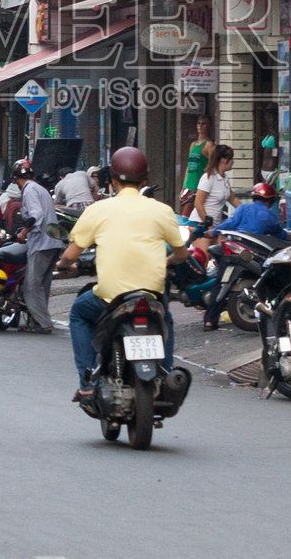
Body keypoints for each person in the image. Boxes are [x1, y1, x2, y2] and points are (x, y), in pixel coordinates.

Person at [55, 147, 187, 400]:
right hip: (151, 297)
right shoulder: (162, 210)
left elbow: (71, 255)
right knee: (166, 319)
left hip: (110, 298)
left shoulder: (98, 210)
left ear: (113, 181)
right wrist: (168, 261)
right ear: (145, 180)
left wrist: (64, 264)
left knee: (79, 313)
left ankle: (87, 381)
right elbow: (182, 254)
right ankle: (165, 376)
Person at [200, 182, 285, 330]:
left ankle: (209, 320)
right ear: (271, 200)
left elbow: (230, 223)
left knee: (220, 283)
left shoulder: (243, 209)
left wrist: (212, 232)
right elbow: (281, 236)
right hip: (252, 256)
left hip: (233, 251)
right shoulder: (269, 216)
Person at [11, 159, 62, 334]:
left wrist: (24, 232)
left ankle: (44, 323)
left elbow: (36, 215)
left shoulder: (29, 190)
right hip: (53, 241)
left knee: (31, 286)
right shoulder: (40, 188)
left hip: (42, 243)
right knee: (42, 284)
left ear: (16, 178)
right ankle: (36, 323)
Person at [194, 144, 235, 230]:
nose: (233, 162)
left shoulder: (225, 178)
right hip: (201, 224)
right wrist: (208, 225)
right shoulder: (208, 177)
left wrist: (248, 210)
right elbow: (198, 203)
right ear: (224, 160)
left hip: (215, 226)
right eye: (231, 158)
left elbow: (232, 199)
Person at [181, 115, 214, 214]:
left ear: (209, 126)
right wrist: (184, 187)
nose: (200, 126)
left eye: (204, 124)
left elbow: (212, 166)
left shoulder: (209, 145)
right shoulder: (193, 145)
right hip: (188, 185)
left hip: (198, 187)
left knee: (186, 215)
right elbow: (188, 166)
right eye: (199, 123)